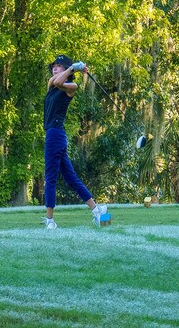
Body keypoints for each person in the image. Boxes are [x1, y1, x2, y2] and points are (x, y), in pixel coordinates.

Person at [42, 54, 107, 229]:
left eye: (59, 66)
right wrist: (74, 68)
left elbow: (59, 83)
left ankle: (50, 221)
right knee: (71, 177)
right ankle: (96, 210)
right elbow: (54, 81)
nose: (55, 68)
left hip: (55, 135)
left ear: (67, 70)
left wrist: (74, 69)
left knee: (50, 178)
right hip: (55, 135)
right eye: (54, 65)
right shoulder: (51, 83)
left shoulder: (72, 86)